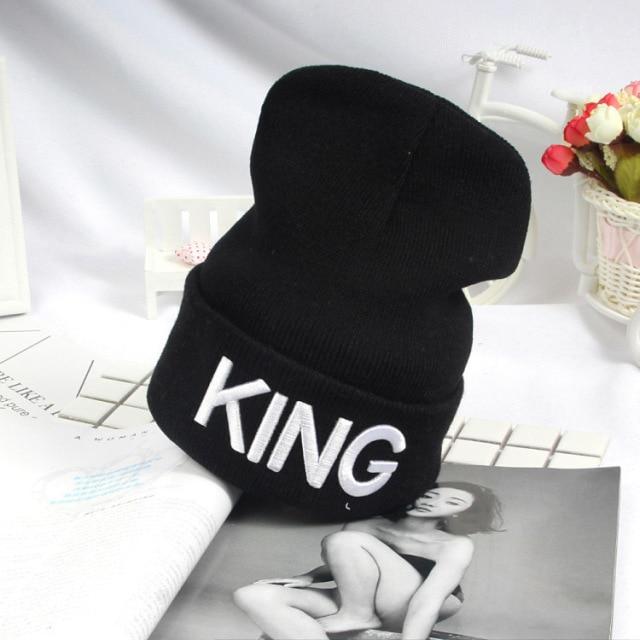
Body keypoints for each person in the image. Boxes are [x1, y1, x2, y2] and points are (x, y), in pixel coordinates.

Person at [233, 481, 503, 640]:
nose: (432, 502)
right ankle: (354, 615)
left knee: (344, 541)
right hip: (358, 598)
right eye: (430, 494)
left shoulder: (455, 544)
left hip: (413, 605)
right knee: (252, 595)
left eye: (451, 502)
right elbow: (352, 565)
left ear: (458, 514)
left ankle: (357, 615)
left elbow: (429, 599)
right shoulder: (366, 526)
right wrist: (309, 577)